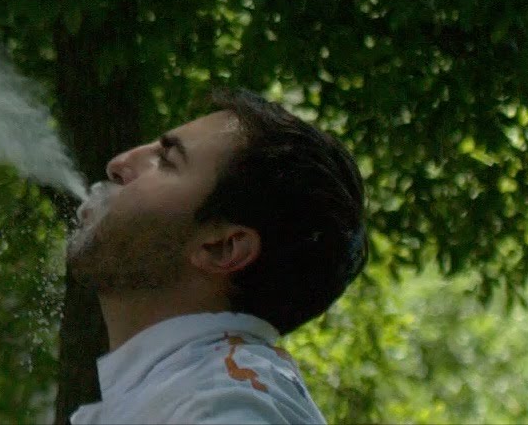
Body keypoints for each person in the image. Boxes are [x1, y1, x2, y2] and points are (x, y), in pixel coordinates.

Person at [66, 89, 367, 424]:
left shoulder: (221, 405)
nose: (118, 164)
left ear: (222, 248)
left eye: (167, 161)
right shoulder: (192, 394)